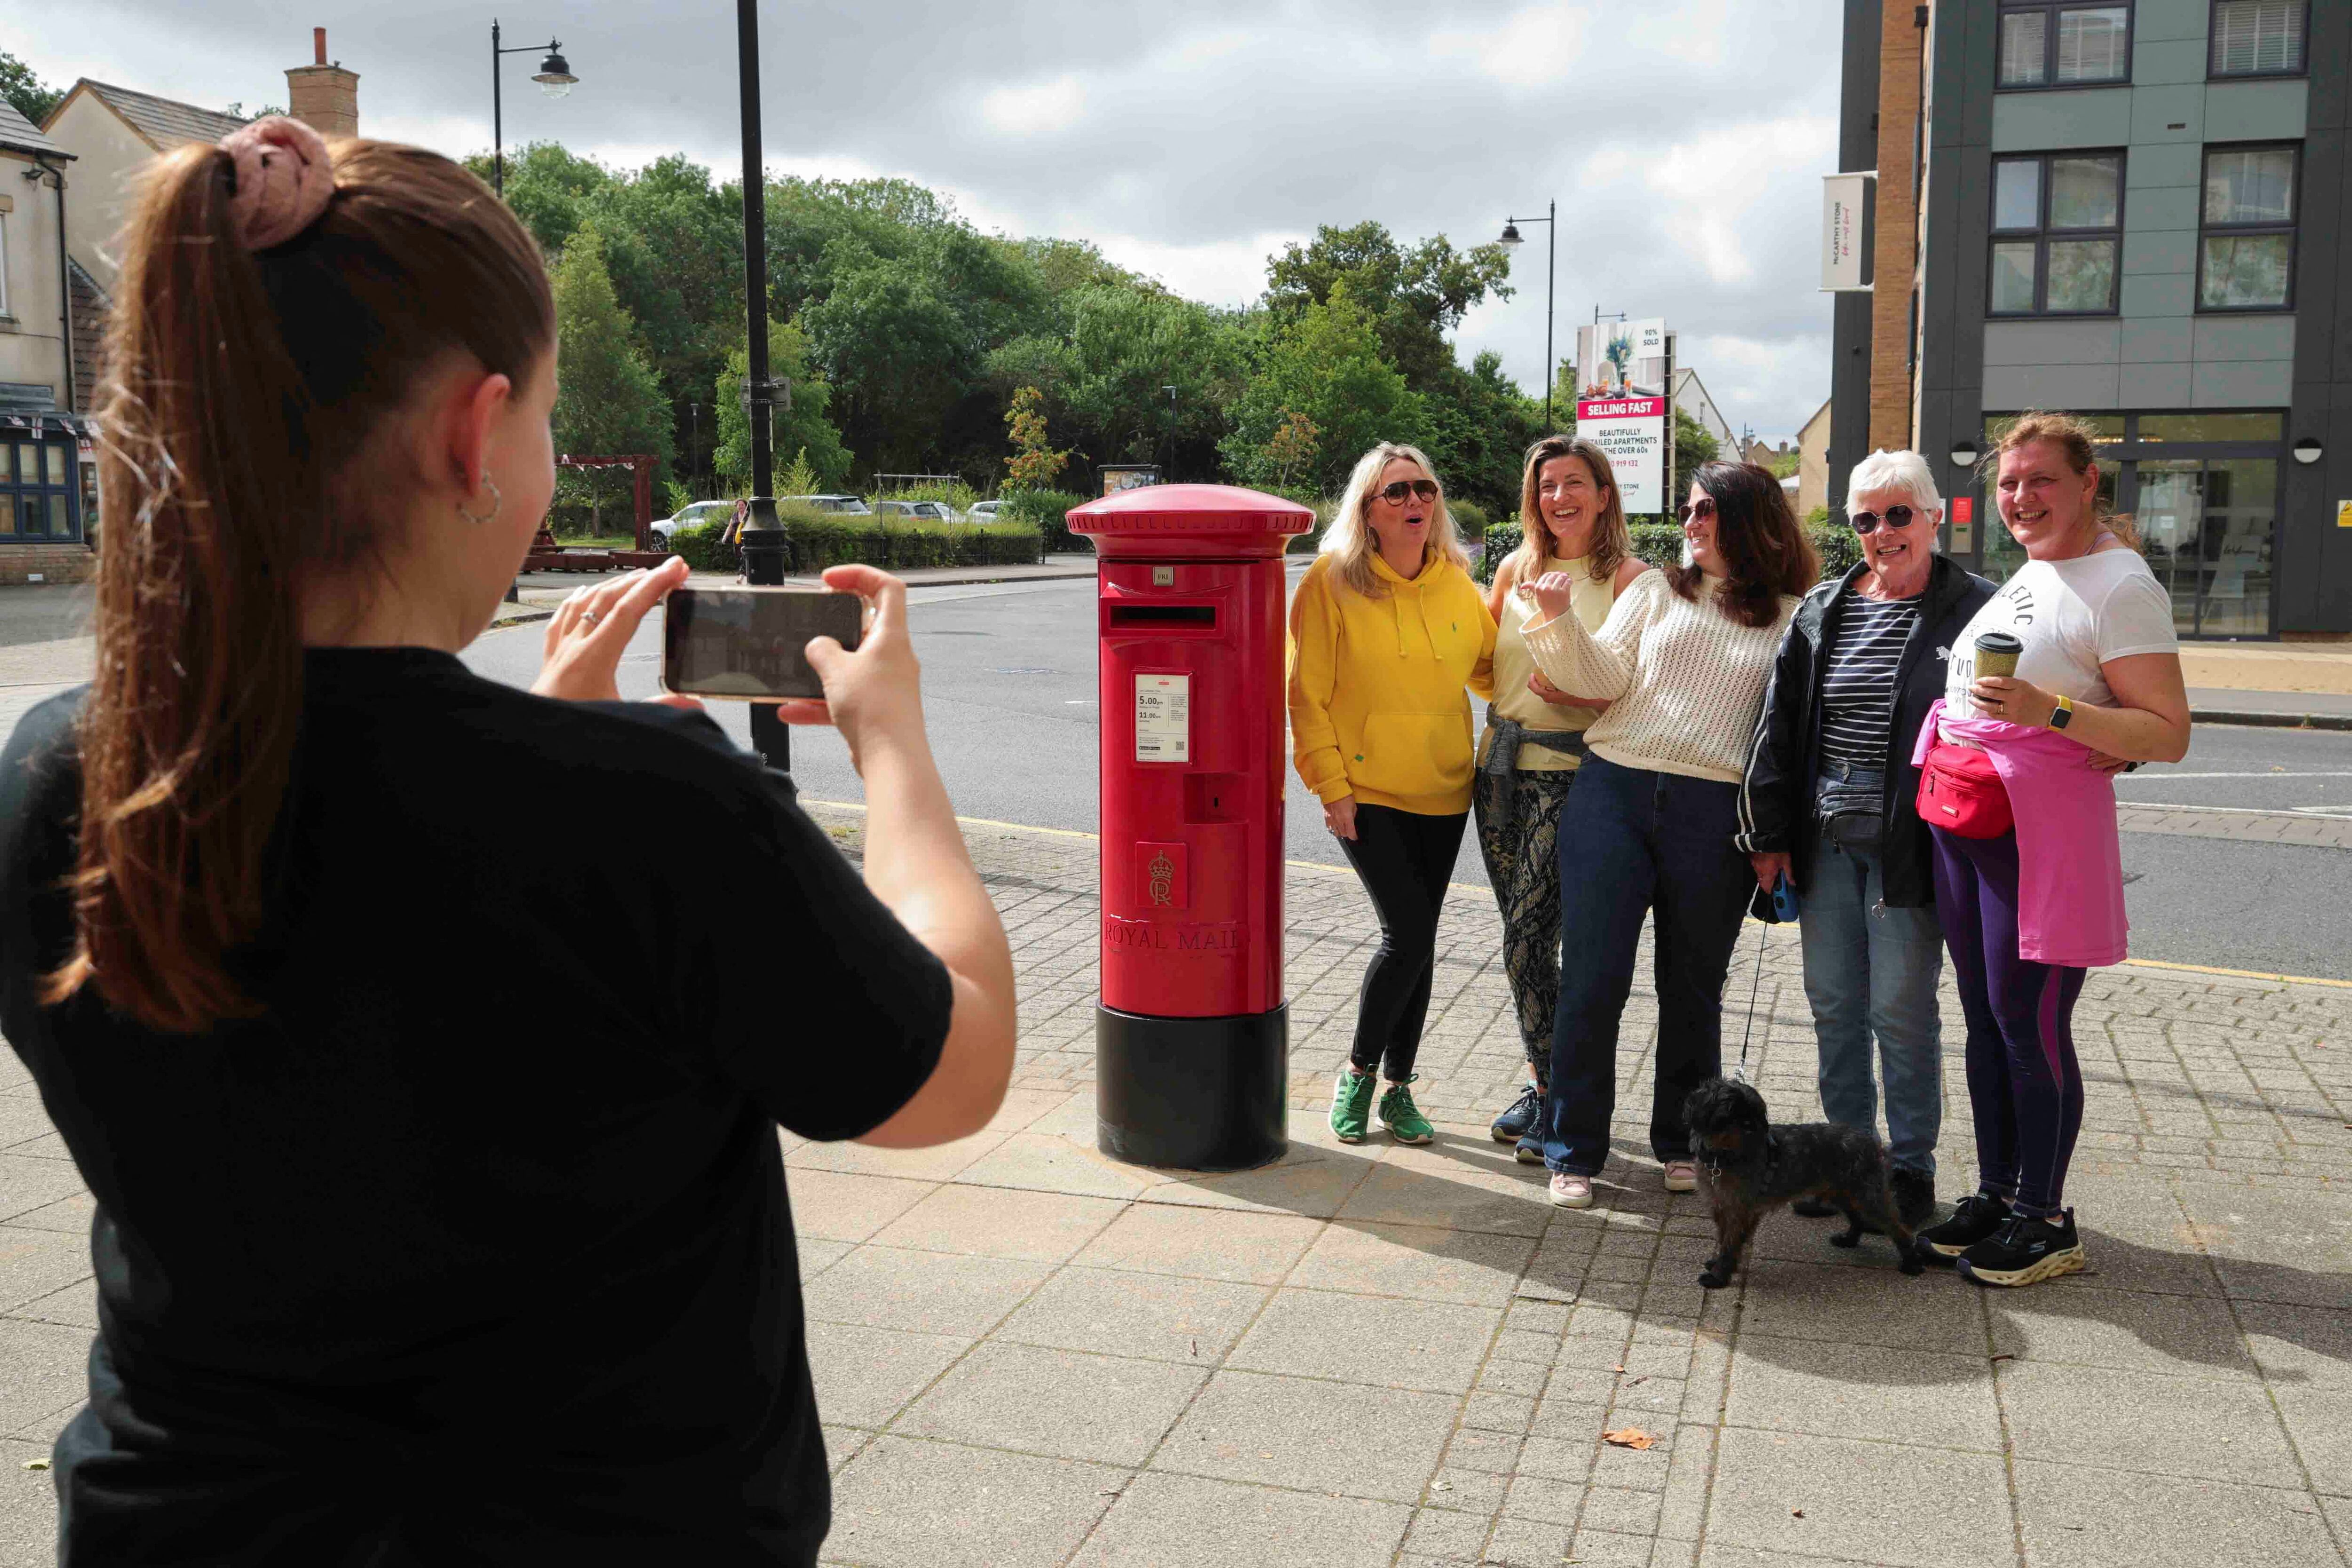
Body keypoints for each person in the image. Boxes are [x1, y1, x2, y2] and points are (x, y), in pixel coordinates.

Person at [0, 121, 1017, 1564]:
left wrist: (551, 737)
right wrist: (894, 745)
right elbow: (950, 1068)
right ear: (474, 437)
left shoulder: (58, 773)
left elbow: (366, 924)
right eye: (542, 416)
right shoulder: (655, 807)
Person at [1911, 412, 2190, 1287]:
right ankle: (1999, 1192)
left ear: (2087, 484)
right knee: (1988, 1019)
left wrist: (2057, 714)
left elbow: (2169, 730)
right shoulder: (2037, 571)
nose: (2021, 497)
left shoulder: (2121, 585)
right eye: (2008, 482)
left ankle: (2047, 1217)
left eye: (2041, 480)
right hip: (1969, 816)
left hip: (2037, 835)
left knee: (2030, 1023)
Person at [1519, 462, 1819, 1207]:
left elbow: (1787, 738)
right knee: (1593, 981)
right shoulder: (1656, 589)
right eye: (1686, 509)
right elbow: (1604, 675)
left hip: (1714, 813)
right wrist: (1555, 621)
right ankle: (1573, 1148)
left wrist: (1774, 833)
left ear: (1750, 517)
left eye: (1707, 510)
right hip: (1613, 790)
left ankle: (1682, 1142)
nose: (1690, 522)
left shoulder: (1791, 614)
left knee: (1692, 991)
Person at [1737, 450, 1995, 1229]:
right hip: (1825, 840)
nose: (1882, 533)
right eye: (1864, 519)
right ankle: (1849, 1159)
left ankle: (1911, 1166)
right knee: (1834, 1002)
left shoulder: (1979, 607)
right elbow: (1779, 727)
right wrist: (1768, 833)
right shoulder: (1823, 608)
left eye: (1898, 515)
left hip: (1913, 843)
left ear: (1933, 515)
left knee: (1901, 1008)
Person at [1289, 442, 1495, 1146]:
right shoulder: (1330, 581)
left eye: (1426, 489)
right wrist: (1330, 785)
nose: (1416, 502)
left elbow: (1497, 672)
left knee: (1422, 942)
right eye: (1398, 492)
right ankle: (1356, 1073)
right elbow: (1306, 696)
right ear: (1368, 510)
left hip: (1445, 791)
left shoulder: (1461, 587)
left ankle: (1399, 1091)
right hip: (1366, 791)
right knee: (1405, 934)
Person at [1474, 436, 1653, 1152]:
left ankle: (1560, 1098)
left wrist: (1568, 695)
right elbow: (1486, 664)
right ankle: (1548, 1085)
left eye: (1574, 483)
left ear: (1604, 494)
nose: (1559, 498)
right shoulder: (1517, 566)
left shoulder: (1630, 578)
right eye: (1547, 486)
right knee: (1526, 941)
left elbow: (1633, 683)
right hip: (1496, 773)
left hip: (1572, 779)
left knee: (1527, 938)